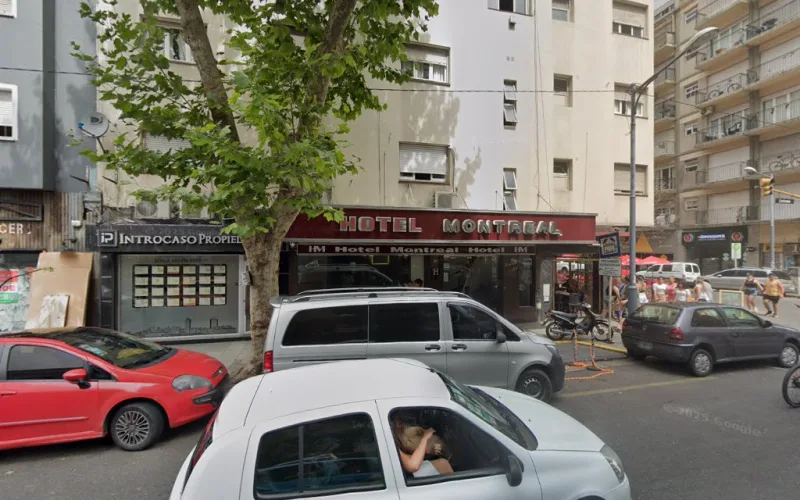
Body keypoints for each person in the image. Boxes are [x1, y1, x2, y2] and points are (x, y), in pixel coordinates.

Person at [392, 413, 453, 478]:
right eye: (398, 419)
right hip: (403, 476)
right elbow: (413, 466)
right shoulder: (390, 440)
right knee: (443, 464)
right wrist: (425, 438)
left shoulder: (402, 434)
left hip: (400, 469)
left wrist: (427, 450)